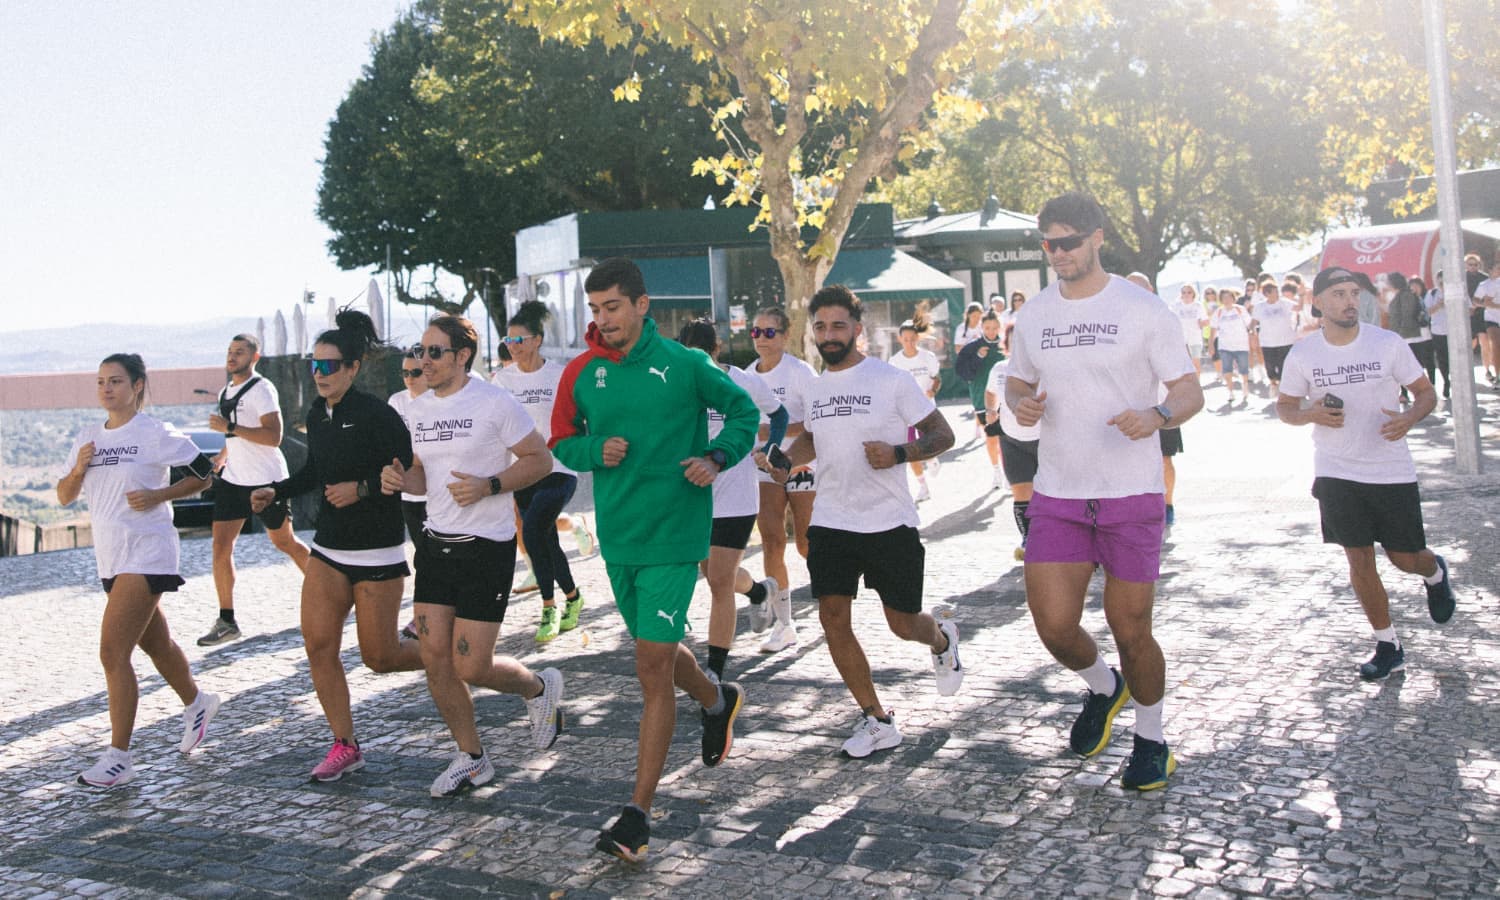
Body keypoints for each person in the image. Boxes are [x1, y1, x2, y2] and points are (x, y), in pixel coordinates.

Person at [547, 258, 759, 863]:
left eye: (612, 306)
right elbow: (561, 439)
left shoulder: (688, 364)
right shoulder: (582, 373)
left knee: (649, 666)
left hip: (676, 534)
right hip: (620, 536)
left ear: (642, 305)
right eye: (594, 309)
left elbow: (745, 414)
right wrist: (595, 449)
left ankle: (637, 815)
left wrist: (716, 457)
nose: (603, 320)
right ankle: (718, 700)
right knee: (656, 651)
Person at [1005, 192, 1204, 791]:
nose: (1058, 253)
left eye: (1068, 241)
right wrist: (1023, 402)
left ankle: (1152, 740)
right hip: (1059, 491)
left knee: (1131, 627)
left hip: (1129, 492)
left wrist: (1159, 414)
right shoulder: (1036, 314)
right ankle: (1104, 688)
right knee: (1055, 626)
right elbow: (1016, 380)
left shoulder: (1143, 310)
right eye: (1048, 244)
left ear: (1097, 238)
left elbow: (1190, 391)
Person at [767, 284, 961, 760]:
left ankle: (941, 637)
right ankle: (876, 718)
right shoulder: (814, 386)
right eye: (820, 327)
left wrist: (899, 452)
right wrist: (786, 460)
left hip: (888, 521)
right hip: (832, 519)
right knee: (833, 619)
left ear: (857, 329)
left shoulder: (890, 380)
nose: (828, 335)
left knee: (902, 623)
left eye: (838, 326)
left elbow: (944, 433)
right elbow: (814, 437)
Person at [380, 315, 565, 798]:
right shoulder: (417, 413)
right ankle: (472, 756)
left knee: (471, 666)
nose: (424, 362)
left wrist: (491, 485)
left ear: (462, 356)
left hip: (487, 548)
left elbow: (539, 460)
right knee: (434, 657)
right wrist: (400, 481)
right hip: (436, 546)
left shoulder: (494, 401)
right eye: (421, 353)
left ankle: (539, 689)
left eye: (434, 353)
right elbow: (421, 475)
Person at [250, 311, 425, 782]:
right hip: (329, 548)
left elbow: (403, 471)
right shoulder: (317, 414)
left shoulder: (378, 415)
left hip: (377, 552)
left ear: (352, 368)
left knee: (380, 658)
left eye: (329, 366)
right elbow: (314, 474)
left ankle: (451, 658)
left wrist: (361, 489)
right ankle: (345, 744)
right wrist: (277, 491)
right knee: (318, 644)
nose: (320, 375)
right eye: (315, 366)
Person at [1276, 267, 1457, 680]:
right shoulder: (1304, 354)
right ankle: (1387, 642)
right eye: (1339, 294)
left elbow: (1425, 393)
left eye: (1354, 294)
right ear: (1318, 302)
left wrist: (1409, 416)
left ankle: (1434, 571)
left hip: (1389, 467)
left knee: (1404, 557)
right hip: (1336, 469)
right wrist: (1311, 414)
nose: (1349, 302)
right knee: (1359, 558)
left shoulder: (1387, 343)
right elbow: (1285, 407)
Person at [58, 353, 219, 787]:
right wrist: (79, 468)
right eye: (100, 382)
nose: (107, 389)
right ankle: (198, 700)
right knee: (157, 643)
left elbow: (204, 473)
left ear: (137, 386)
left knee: (113, 652)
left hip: (148, 551)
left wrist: (159, 494)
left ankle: (119, 759)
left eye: (115, 381)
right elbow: (64, 496)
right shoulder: (88, 437)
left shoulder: (153, 432)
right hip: (111, 557)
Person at [677, 319, 787, 679]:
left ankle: (715, 670)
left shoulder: (744, 381)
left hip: (737, 497)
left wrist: (769, 450)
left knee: (720, 582)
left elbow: (780, 413)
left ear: (716, 351)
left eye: (702, 356)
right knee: (711, 574)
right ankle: (759, 592)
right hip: (695, 497)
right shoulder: (678, 383)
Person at [200, 333, 310, 646]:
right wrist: (221, 457)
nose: (232, 357)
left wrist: (229, 428)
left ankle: (329, 594)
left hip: (266, 481)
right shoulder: (225, 391)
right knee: (220, 548)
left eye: (240, 352)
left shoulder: (263, 389)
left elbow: (274, 436)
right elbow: (232, 438)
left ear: (255, 357)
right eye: (230, 351)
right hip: (234, 480)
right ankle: (227, 619)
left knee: (285, 542)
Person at [492, 301, 589, 643]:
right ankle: (574, 599)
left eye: (519, 340)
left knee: (533, 531)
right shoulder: (501, 380)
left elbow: (582, 412)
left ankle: (548, 607)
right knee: (545, 539)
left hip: (558, 466)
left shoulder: (561, 373)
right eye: (509, 340)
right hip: (522, 471)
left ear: (536, 340)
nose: (513, 346)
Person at [749, 307, 818, 655]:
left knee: (806, 544)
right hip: (764, 467)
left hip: (802, 463)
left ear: (785, 335)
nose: (761, 338)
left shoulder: (800, 372)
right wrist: (757, 440)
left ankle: (834, 598)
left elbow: (814, 423)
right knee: (772, 540)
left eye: (769, 332)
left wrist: (775, 430)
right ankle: (784, 625)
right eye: (756, 332)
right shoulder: (747, 375)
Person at [984, 356, 1040, 560]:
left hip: (1045, 439)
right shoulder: (999, 368)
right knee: (1021, 491)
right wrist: (990, 411)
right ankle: (1028, 540)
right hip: (1011, 440)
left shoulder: (1044, 363)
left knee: (1052, 493)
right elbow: (990, 392)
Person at [887, 318, 942, 501]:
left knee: (927, 444)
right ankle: (923, 486)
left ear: (917, 338)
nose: (909, 342)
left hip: (926, 409)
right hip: (906, 413)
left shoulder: (928, 358)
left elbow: (937, 379)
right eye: (906, 339)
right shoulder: (894, 361)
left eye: (912, 338)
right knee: (911, 449)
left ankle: (932, 459)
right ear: (900, 339)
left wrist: (932, 390)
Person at [955, 312, 1006, 489]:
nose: (991, 331)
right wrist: (978, 358)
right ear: (981, 327)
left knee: (1008, 439)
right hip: (982, 399)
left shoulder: (1006, 346)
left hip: (1006, 400)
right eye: (987, 328)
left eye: (994, 327)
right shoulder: (972, 347)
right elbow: (963, 373)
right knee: (991, 437)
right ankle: (996, 470)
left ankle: (1008, 472)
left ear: (1000, 327)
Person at [387, 349, 430, 552]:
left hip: (437, 491)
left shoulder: (439, 400)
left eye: (416, 372)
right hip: (409, 491)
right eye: (405, 373)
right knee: (421, 551)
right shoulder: (397, 401)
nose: (410, 378)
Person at [1252, 279, 1299, 396]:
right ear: (1267, 294)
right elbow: (1254, 321)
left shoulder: (1285, 303)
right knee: (1270, 366)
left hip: (1286, 341)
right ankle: (1273, 384)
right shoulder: (1260, 307)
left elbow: (1298, 307)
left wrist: (1302, 294)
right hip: (1268, 342)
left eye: (1277, 291)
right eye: (1274, 291)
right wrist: (1251, 332)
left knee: (1284, 366)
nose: (1277, 294)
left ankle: (1284, 390)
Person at [1211, 288, 1252, 407]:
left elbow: (1249, 325)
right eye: (1224, 298)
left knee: (1243, 369)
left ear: (1233, 298)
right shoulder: (1218, 312)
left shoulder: (1240, 310)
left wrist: (1253, 335)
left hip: (1241, 344)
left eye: (1229, 297)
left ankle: (1245, 385)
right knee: (1227, 370)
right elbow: (1213, 329)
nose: (1227, 300)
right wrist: (1211, 346)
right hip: (1225, 345)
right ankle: (1231, 392)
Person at [1423, 271, 1453, 399]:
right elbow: (1427, 312)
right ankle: (1446, 381)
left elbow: (1469, 310)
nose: (1442, 284)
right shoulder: (1432, 294)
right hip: (1438, 331)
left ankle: (1456, 383)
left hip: (1455, 331)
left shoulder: (1456, 291)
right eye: (1440, 281)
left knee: (1456, 359)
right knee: (1442, 359)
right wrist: (1438, 305)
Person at [1170, 284, 1209, 376]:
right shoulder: (1176, 306)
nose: (1186, 294)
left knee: (1196, 363)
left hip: (1195, 338)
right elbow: (1170, 319)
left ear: (1193, 294)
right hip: (1181, 339)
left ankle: (1197, 385)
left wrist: (1200, 324)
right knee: (1184, 364)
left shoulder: (1198, 306)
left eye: (1189, 292)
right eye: (1184, 292)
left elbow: (1206, 321)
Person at [1475, 258, 1500, 386]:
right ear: (1490, 270)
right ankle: (1498, 375)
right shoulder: (1484, 285)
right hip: (1491, 318)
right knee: (1495, 345)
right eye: (1498, 269)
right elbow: (1476, 300)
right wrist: (1486, 305)